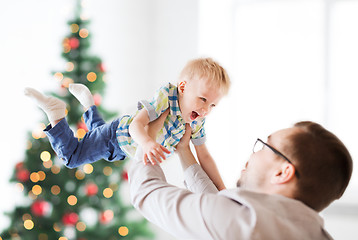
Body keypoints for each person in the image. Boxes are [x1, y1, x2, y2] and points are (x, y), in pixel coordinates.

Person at [129, 112, 353, 240]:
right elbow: (220, 208)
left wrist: (147, 137)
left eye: (265, 146)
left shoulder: (242, 224)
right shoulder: (317, 235)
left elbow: (146, 193)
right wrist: (185, 152)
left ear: (283, 172)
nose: (251, 155)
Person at [25, 57, 230, 190]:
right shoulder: (167, 97)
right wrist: (147, 143)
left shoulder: (196, 122)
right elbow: (136, 125)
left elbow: (204, 156)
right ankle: (56, 113)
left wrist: (223, 191)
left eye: (213, 105)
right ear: (183, 87)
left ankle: (89, 105)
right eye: (202, 99)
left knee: (97, 136)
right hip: (118, 135)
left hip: (123, 149)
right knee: (72, 157)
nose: (205, 110)